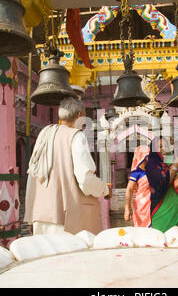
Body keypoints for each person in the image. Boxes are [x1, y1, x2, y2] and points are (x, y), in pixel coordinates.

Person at [24, 97, 112, 235]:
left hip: (41, 216)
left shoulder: (44, 133)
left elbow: (33, 173)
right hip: (65, 220)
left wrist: (31, 215)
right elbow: (85, 179)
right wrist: (105, 190)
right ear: (79, 115)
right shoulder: (76, 136)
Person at [145, 137, 178, 233]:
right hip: (162, 210)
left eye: (165, 146)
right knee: (162, 241)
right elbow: (165, 182)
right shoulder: (152, 165)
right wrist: (177, 161)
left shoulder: (169, 162)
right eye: (159, 146)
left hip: (177, 209)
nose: (163, 149)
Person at [124, 145, 151, 227]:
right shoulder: (136, 173)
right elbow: (129, 189)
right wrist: (127, 208)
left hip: (153, 204)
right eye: (148, 156)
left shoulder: (153, 170)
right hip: (141, 206)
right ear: (142, 156)